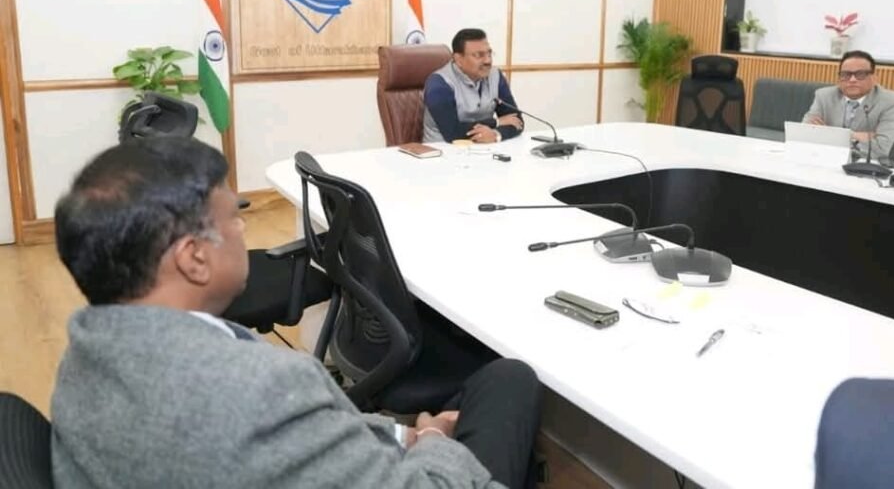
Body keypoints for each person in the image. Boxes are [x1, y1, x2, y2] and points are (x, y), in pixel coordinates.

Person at [50, 136, 542, 488]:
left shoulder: (89, 350)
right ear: (194, 258)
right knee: (510, 381)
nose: (242, 229)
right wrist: (434, 441)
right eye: (233, 216)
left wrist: (400, 433)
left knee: (502, 380)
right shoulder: (261, 388)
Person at [423, 28, 524, 143]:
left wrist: (496, 134)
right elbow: (453, 132)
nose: (488, 61)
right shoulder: (439, 83)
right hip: (444, 149)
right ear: (458, 59)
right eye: (479, 55)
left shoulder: (495, 76)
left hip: (483, 149)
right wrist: (496, 122)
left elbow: (517, 120)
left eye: (489, 53)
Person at [803, 50, 894, 159]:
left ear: (874, 78)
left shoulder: (892, 101)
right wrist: (857, 136)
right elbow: (805, 133)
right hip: (825, 158)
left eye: (860, 74)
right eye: (846, 75)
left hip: (864, 164)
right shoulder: (824, 96)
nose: (852, 80)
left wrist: (829, 134)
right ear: (839, 78)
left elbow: (884, 149)